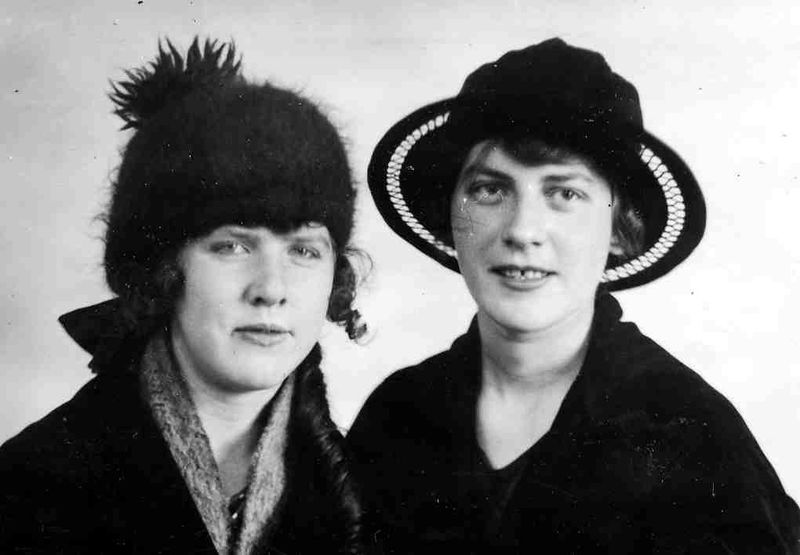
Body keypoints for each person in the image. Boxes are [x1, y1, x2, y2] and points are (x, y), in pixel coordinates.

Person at [348, 38, 800, 553]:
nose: (523, 230)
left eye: (565, 193)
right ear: (451, 214)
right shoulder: (398, 416)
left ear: (619, 226)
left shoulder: (687, 431)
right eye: (490, 190)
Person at [0, 38, 367, 554]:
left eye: (304, 251)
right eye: (233, 246)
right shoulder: (33, 485)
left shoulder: (366, 492)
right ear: (163, 271)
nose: (271, 289)